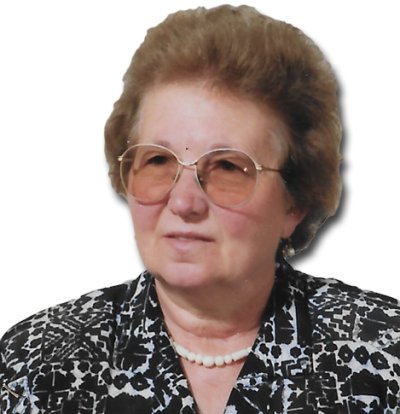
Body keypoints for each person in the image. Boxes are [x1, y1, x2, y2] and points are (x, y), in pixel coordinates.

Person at [1, 4, 399, 414]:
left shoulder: (386, 355)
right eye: (158, 161)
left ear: (294, 202)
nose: (183, 202)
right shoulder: (33, 366)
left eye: (228, 167)